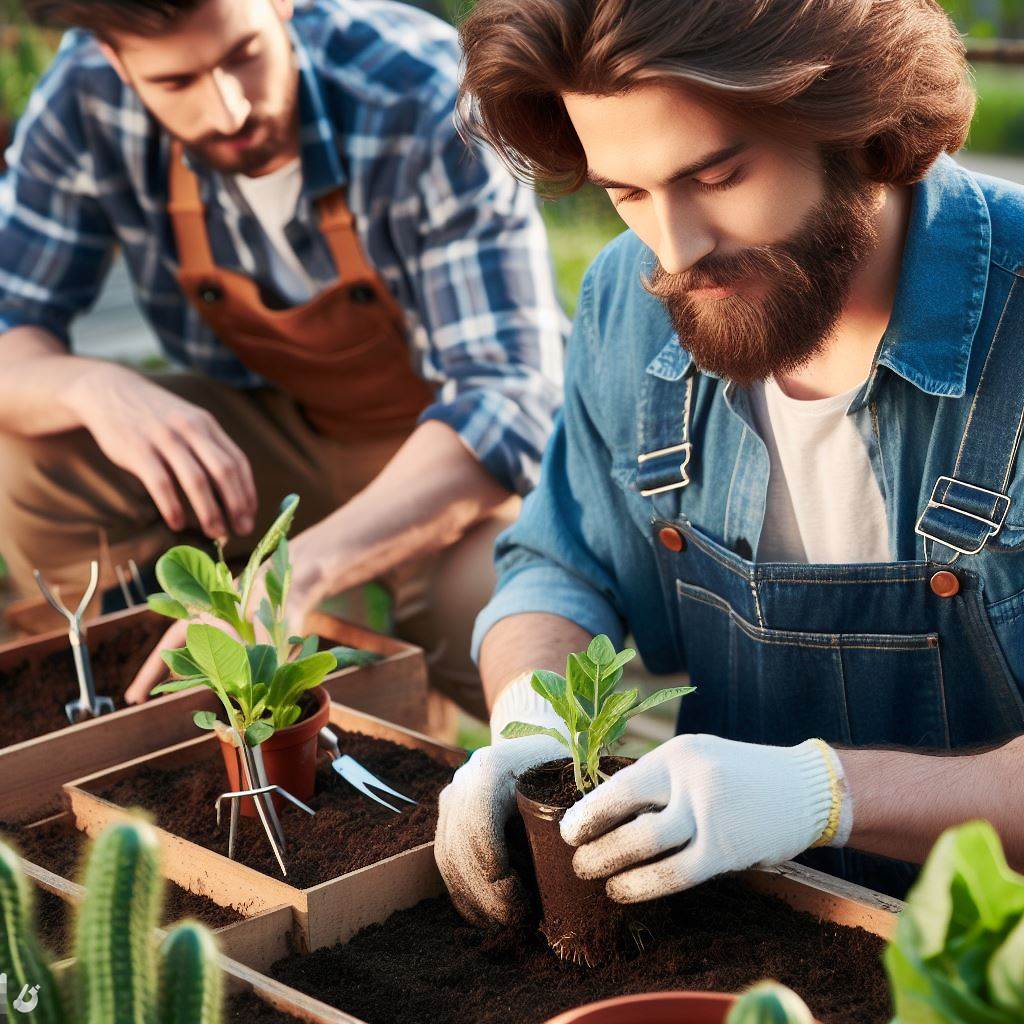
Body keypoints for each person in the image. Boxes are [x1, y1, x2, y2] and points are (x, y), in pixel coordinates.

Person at [434, 0, 1024, 925]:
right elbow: (561, 563)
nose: (674, 251)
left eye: (715, 174)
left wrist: (821, 795)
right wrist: (531, 721)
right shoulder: (628, 308)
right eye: (624, 192)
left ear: (861, 122)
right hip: (746, 924)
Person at [0, 0, 564, 735]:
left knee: (513, 637)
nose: (228, 108)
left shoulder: (419, 93)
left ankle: (443, 743)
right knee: (34, 458)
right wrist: (90, 385)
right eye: (176, 82)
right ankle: (163, 717)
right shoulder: (85, 99)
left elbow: (512, 398)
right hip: (264, 434)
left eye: (244, 56)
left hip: (443, 464)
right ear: (115, 62)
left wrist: (295, 575)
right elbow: (13, 327)